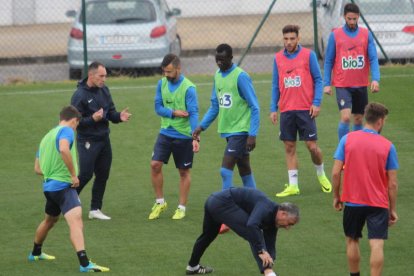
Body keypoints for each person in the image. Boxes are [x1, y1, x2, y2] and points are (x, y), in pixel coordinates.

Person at [28, 106, 109, 272]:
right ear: (74, 120)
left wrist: (51, 173)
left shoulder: (45, 138)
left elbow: (37, 168)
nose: (76, 128)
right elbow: (64, 149)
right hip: (64, 186)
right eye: (76, 124)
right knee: (76, 221)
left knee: (50, 220)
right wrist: (73, 175)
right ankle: (85, 263)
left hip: (49, 188)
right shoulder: (66, 131)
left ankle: (35, 253)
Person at [192, 44, 260, 232]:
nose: (219, 62)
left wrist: (252, 134)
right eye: (217, 59)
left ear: (231, 58)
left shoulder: (241, 77)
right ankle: (258, 207)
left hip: (241, 131)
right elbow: (215, 106)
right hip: (228, 132)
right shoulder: (217, 76)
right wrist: (201, 126)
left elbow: (255, 106)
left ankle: (226, 215)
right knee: (245, 169)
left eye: (223, 59)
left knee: (225, 170)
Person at [332, 102, 398, 276]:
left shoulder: (347, 139)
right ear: (380, 121)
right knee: (377, 244)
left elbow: (335, 173)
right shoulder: (388, 146)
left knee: (352, 240)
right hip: (378, 203)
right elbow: (392, 183)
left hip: (353, 202)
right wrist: (392, 209)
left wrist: (336, 196)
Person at [270, 25, 332, 197]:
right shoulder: (278, 58)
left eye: (292, 38)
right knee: (289, 147)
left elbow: (318, 80)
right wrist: (273, 108)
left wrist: (316, 103)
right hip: (287, 110)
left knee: (312, 147)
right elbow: (276, 84)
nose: (288, 42)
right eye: (286, 39)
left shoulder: (308, 55)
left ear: (298, 38)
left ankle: (321, 175)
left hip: (306, 109)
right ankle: (293, 185)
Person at [185, 187, 299, 275]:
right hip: (222, 203)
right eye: (290, 223)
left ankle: (192, 266)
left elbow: (270, 244)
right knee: (253, 233)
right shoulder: (267, 207)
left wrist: (270, 259)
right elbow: (252, 224)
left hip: (213, 201)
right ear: (283, 213)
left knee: (207, 236)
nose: (288, 227)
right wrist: (261, 251)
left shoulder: (274, 221)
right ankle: (268, 274)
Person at [71, 61, 131, 220]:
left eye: (105, 76)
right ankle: (66, 200)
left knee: (103, 174)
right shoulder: (79, 95)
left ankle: (95, 209)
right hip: (87, 140)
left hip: (104, 139)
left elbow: (110, 113)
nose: (104, 79)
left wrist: (119, 116)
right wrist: (92, 119)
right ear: (91, 75)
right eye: (101, 76)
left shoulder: (104, 90)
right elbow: (75, 122)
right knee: (85, 174)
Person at [149, 54, 199, 220]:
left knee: (183, 171)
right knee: (155, 165)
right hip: (165, 132)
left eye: (169, 72)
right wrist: (173, 113)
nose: (166, 75)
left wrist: (195, 137)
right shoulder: (161, 83)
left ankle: (181, 207)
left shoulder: (189, 88)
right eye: (164, 72)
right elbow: (158, 108)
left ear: (179, 69)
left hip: (184, 136)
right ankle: (160, 202)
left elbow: (193, 114)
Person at [323, 2, 380, 141]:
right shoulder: (335, 35)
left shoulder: (366, 35)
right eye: (349, 19)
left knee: (359, 119)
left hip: (360, 85)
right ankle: (343, 149)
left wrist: (375, 79)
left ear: (358, 17)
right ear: (344, 17)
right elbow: (329, 60)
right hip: (343, 85)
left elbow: (373, 58)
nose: (352, 22)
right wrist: (327, 83)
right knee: (346, 117)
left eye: (355, 19)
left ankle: (356, 148)